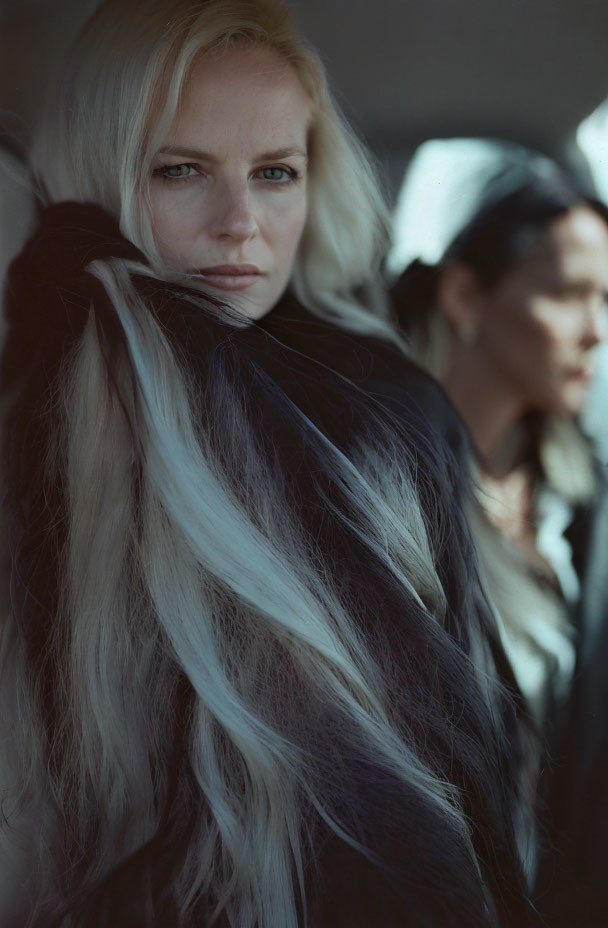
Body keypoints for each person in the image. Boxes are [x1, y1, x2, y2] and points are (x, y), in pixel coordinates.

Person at [0, 2, 535, 925]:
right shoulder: (30, 419)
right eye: (182, 171)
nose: (241, 223)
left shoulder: (391, 414)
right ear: (98, 174)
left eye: (275, 173)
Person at [392, 156, 608, 924]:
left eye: (606, 300)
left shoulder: (586, 506)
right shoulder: (382, 491)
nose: (597, 331)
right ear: (465, 296)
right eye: (569, 296)